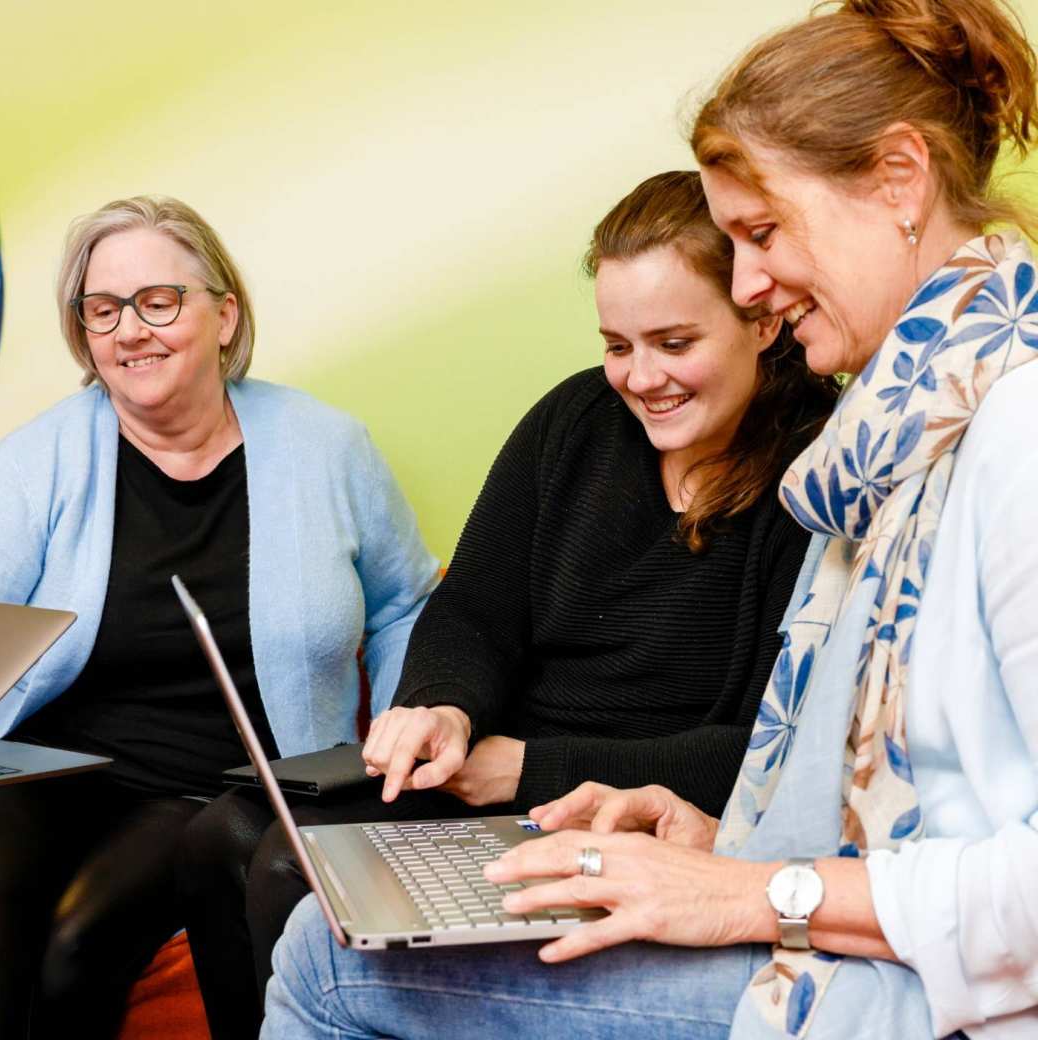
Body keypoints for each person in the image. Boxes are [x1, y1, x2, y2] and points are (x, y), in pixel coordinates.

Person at [262, 0, 1038, 1037]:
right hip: (858, 945)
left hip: (915, 997)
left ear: (898, 179)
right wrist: (710, 838)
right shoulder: (889, 443)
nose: (753, 283)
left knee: (327, 955)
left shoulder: (1011, 435)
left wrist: (748, 892)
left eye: (761, 234)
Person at [178, 170, 839, 1037]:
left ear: (761, 318)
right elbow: (472, 612)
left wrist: (526, 769)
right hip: (493, 777)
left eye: (674, 343)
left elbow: (767, 750)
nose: (641, 379)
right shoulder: (574, 422)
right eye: (618, 345)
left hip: (623, 810)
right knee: (223, 837)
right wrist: (440, 707)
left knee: (283, 871)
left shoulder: (818, 476)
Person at [0, 195, 440, 1039]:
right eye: (103, 310)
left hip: (200, 791)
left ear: (224, 314)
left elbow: (405, 605)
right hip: (52, 773)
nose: (131, 330)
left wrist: (399, 725)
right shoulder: (35, 462)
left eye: (158, 301)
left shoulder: (326, 447)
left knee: (76, 943)